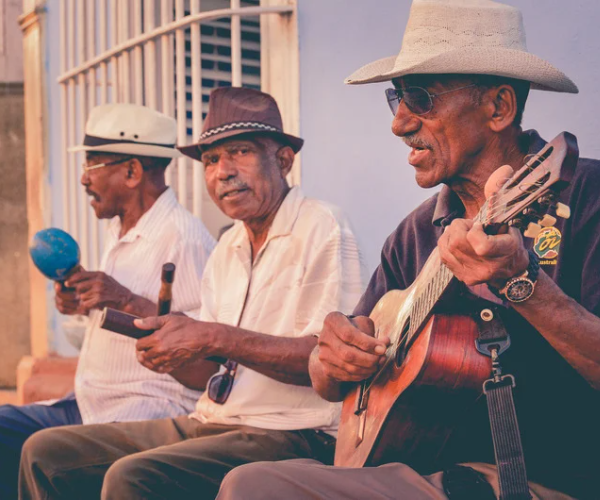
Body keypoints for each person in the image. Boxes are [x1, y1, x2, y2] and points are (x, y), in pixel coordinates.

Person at [216, 1, 600, 499]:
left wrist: (522, 283)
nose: (399, 123)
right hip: (420, 467)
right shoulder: (414, 234)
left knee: (254, 487)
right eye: (396, 97)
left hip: (543, 480)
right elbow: (332, 375)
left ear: (499, 107)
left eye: (420, 98)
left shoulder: (587, 197)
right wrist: (332, 357)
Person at [18, 87, 366, 500]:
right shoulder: (228, 248)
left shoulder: (322, 225)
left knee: (131, 476)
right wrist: (171, 355)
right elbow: (209, 373)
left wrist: (214, 336)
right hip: (216, 418)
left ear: (283, 160)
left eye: (240, 152)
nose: (223, 171)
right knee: (45, 452)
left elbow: (326, 362)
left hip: (290, 430)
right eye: (211, 160)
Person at [0, 103, 215, 499]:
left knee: (43, 453)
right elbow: (124, 312)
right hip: (90, 402)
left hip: (146, 409)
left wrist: (124, 298)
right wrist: (85, 302)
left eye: (93, 165)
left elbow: (205, 357)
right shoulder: (121, 228)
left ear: (132, 172)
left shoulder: (184, 239)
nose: (83, 179)